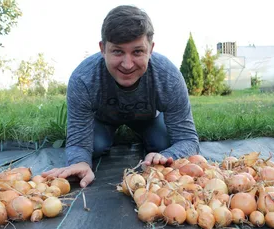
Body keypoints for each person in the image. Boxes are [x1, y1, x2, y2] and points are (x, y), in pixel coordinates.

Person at [42, 5, 199, 188]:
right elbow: (77, 141)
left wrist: (167, 154)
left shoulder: (168, 77)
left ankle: (150, 139)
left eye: (137, 52)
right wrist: (80, 161)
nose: (127, 64)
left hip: (148, 117)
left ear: (151, 49)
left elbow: (187, 139)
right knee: (95, 146)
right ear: (103, 49)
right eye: (117, 51)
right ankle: (110, 136)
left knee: (163, 144)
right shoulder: (83, 79)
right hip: (104, 119)